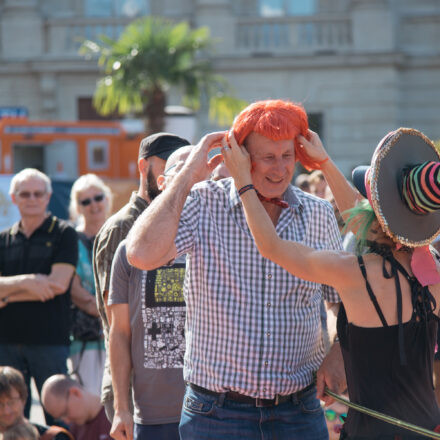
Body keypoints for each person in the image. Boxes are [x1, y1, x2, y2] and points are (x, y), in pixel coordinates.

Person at [126, 99, 345, 439]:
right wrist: (189, 171)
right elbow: (140, 254)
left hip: (299, 411)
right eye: (267, 157)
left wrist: (338, 351)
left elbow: (343, 299)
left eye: (287, 156)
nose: (280, 169)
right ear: (240, 157)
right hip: (216, 413)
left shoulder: (318, 213)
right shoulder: (204, 201)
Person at [222, 127, 440, 438]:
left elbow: (271, 245)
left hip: (371, 432)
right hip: (427, 427)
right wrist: (323, 161)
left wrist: (243, 182)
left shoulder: (353, 272)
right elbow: (367, 221)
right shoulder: (433, 270)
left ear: (377, 209)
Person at [93, 132, 190, 422]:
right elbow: (115, 321)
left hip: (176, 385)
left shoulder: (183, 219)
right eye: (167, 164)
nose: (177, 173)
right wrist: (123, 403)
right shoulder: (123, 228)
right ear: (143, 167)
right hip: (134, 387)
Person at [0, 169, 77, 424]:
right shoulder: (3, 239)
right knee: (10, 421)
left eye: (38, 193)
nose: (31, 199)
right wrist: (29, 282)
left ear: (48, 196)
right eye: (25, 194)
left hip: (50, 343)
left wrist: (7, 293)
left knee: (58, 417)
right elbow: (44, 285)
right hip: (7, 342)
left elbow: (58, 284)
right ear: (14, 198)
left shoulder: (64, 233)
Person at [68, 174, 112, 396]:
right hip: (85, 334)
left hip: (121, 332)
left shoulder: (122, 231)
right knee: (90, 398)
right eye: (85, 201)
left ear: (106, 198)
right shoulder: (70, 240)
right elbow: (75, 291)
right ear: (78, 207)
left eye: (97, 197)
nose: (93, 204)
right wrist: (109, 315)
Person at [0, 366, 72, 440]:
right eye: (0, 404)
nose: (6, 411)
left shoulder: (54, 437)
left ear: (23, 399)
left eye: (11, 402)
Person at [41, 375, 111, 440]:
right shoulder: (75, 430)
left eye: (65, 412)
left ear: (75, 393)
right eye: (60, 419)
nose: (67, 421)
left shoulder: (115, 416)